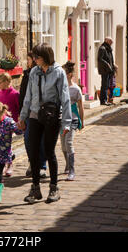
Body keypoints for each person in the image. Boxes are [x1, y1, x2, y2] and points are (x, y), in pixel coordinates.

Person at [18, 44, 72, 204]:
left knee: (49, 151)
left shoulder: (58, 73)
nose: (34, 60)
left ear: (46, 57)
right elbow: (28, 96)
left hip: (51, 117)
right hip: (34, 116)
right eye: (33, 57)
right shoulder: (34, 72)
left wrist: (66, 123)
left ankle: (54, 188)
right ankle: (35, 189)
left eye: (37, 57)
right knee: (33, 153)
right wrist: (22, 117)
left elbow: (65, 98)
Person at [19, 52, 47, 179]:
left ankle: (41, 166)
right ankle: (32, 162)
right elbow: (23, 95)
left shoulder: (47, 74)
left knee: (41, 141)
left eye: (29, 59)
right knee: (28, 140)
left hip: (43, 112)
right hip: (29, 111)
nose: (28, 61)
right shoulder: (27, 74)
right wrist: (22, 115)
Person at [61, 61, 85, 181]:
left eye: (64, 73)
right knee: (63, 146)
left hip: (73, 119)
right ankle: (67, 164)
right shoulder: (60, 88)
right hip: (62, 120)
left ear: (69, 74)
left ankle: (72, 170)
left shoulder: (76, 89)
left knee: (69, 143)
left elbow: (81, 106)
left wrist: (82, 121)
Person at [97, 37, 118, 105]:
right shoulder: (102, 48)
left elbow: (110, 59)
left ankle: (107, 99)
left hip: (109, 70)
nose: (111, 43)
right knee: (104, 85)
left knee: (108, 85)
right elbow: (100, 59)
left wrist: (113, 64)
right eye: (110, 41)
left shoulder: (108, 48)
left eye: (112, 41)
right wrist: (108, 64)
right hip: (104, 70)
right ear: (106, 41)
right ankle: (103, 101)